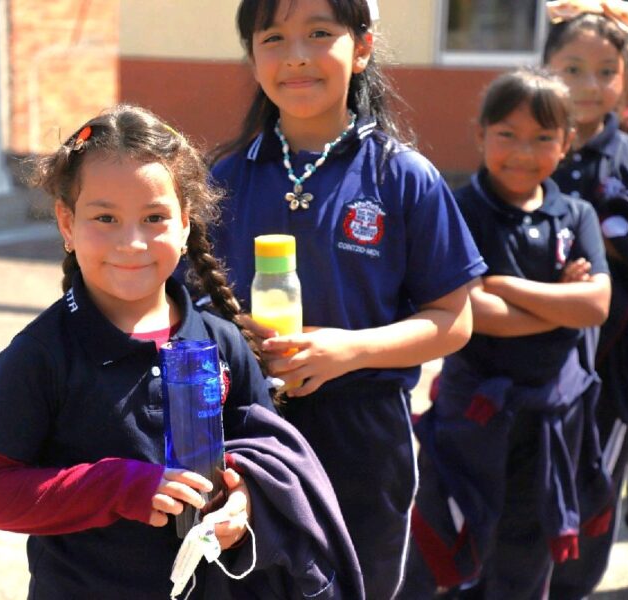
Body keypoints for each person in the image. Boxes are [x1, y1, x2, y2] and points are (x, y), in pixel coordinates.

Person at [0, 104, 365, 599]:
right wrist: (120, 486)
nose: (131, 242)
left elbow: (270, 459)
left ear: (184, 224)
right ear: (67, 224)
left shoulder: (222, 342)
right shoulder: (39, 355)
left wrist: (243, 506)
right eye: (105, 217)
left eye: (154, 217)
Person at [206, 1, 487, 597]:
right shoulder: (223, 179)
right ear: (253, 57)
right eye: (274, 37)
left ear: (361, 49)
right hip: (246, 431)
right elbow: (185, 307)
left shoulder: (404, 176)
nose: (297, 55)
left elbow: (453, 321)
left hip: (366, 442)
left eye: (319, 34)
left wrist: (350, 350)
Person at [398, 67, 612, 600]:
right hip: (474, 416)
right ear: (481, 135)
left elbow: (597, 304)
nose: (523, 152)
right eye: (507, 135)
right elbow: (476, 311)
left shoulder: (576, 213)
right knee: (451, 539)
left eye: (543, 137)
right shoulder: (461, 208)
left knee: (527, 551)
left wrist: (506, 283)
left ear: (567, 144)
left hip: (551, 419)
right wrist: (558, 304)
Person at [541, 2, 628, 598]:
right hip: (525, 355)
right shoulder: (528, 145)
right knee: (524, 484)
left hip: (612, 362)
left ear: (627, 78)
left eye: (606, 71)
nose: (589, 87)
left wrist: (619, 242)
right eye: (572, 69)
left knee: (592, 485)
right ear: (543, 68)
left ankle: (577, 584)